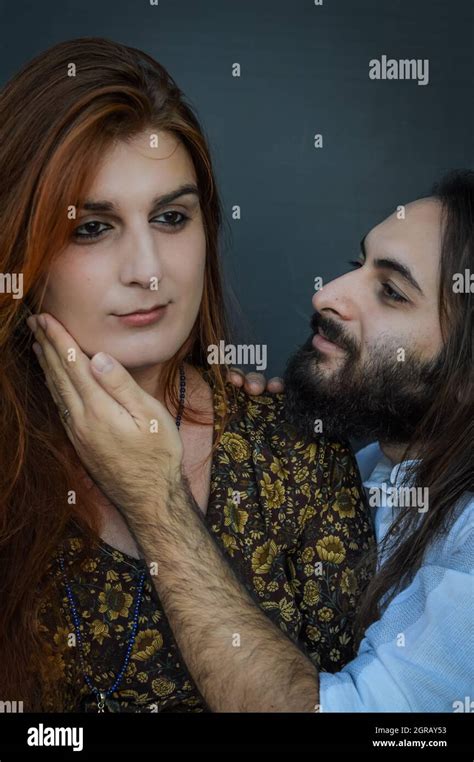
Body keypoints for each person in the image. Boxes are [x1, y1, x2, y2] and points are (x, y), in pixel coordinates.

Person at [0, 37, 374, 712]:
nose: (147, 269)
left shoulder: (296, 456)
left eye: (172, 218)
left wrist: (154, 498)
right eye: (91, 228)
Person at [29, 169, 473, 712]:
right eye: (357, 265)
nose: (327, 294)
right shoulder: (355, 465)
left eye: (392, 292)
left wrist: (152, 498)